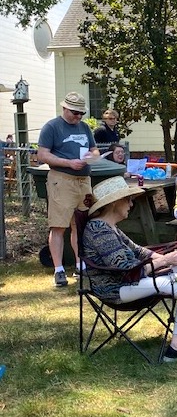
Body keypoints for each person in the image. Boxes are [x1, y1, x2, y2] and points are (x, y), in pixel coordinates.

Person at [82, 176, 177, 362]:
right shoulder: (99, 230)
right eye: (128, 199)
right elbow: (125, 269)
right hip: (117, 288)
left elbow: (139, 252)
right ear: (115, 203)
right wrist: (165, 260)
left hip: (129, 281)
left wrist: (170, 259)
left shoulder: (109, 226)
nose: (131, 204)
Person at [37, 92, 100, 287]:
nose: (78, 117)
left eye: (81, 113)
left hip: (84, 181)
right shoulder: (51, 127)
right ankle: (59, 270)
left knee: (79, 225)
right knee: (59, 226)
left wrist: (93, 156)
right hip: (61, 180)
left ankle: (81, 266)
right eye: (75, 112)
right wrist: (68, 163)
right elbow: (42, 155)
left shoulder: (84, 128)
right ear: (64, 108)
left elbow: (94, 149)